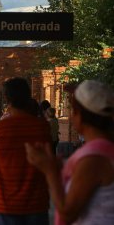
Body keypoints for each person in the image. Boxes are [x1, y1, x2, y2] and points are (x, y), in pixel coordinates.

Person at [25, 79, 114, 225]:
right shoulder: (102, 149)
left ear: (79, 115)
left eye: (72, 111)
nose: (71, 116)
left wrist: (50, 170)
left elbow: (67, 212)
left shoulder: (94, 159)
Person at [0, 77, 52, 225]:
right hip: (37, 202)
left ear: (7, 98)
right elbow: (49, 160)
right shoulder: (42, 128)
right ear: (28, 97)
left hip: (7, 204)